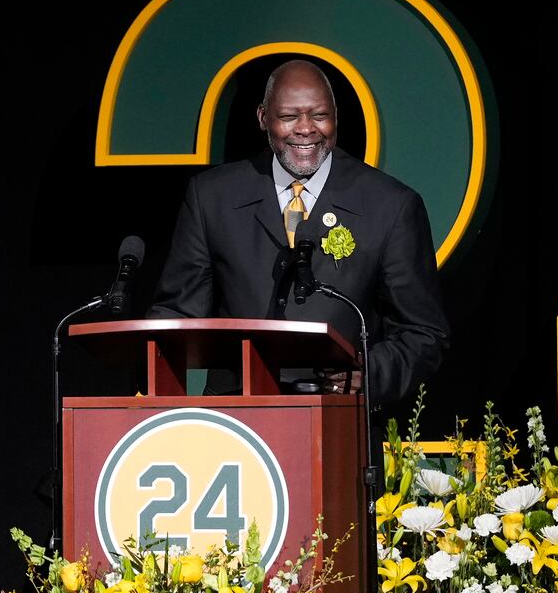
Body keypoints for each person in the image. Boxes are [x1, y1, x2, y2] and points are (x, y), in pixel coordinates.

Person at [148, 59, 449, 407]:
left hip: (337, 418)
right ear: (263, 118)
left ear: (336, 116)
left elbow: (423, 332)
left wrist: (367, 374)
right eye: (289, 117)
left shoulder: (390, 205)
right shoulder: (212, 196)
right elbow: (177, 318)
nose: (306, 129)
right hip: (233, 417)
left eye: (319, 115)